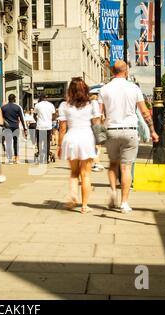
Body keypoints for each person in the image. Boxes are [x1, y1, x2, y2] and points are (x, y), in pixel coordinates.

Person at [98, 60, 159, 214]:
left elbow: (99, 115)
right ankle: (124, 203)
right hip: (130, 131)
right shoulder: (134, 88)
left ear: (113, 71)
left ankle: (113, 191)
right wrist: (152, 130)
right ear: (126, 71)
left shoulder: (104, 89)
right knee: (126, 168)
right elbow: (145, 112)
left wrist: (98, 137)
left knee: (113, 164)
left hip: (111, 130)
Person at [58, 78, 102, 214]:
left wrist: (59, 146)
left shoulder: (64, 105)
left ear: (70, 90)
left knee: (74, 172)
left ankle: (73, 194)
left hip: (70, 138)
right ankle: (84, 206)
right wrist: (98, 141)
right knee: (86, 175)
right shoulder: (92, 104)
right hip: (86, 138)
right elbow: (96, 124)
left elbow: (62, 128)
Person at [1, 94, 27, 164]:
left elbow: (1, 118)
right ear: (14, 99)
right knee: (15, 142)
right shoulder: (17, 107)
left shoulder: (3, 107)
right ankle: (16, 158)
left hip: (7, 127)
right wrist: (25, 128)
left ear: (8, 99)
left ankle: (10, 159)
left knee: (8, 143)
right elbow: (21, 118)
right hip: (15, 126)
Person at [34, 93, 56, 164]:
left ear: (40, 98)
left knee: (39, 142)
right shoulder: (51, 105)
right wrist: (50, 120)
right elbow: (54, 115)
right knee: (47, 142)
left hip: (40, 126)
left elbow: (34, 115)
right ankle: (46, 159)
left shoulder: (37, 105)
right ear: (47, 98)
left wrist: (37, 120)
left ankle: (41, 157)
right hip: (48, 126)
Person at [90, 94, 105, 172]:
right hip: (96, 126)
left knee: (97, 146)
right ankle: (97, 163)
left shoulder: (92, 103)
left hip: (95, 126)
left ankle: (96, 162)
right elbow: (96, 116)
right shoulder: (94, 103)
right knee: (97, 146)